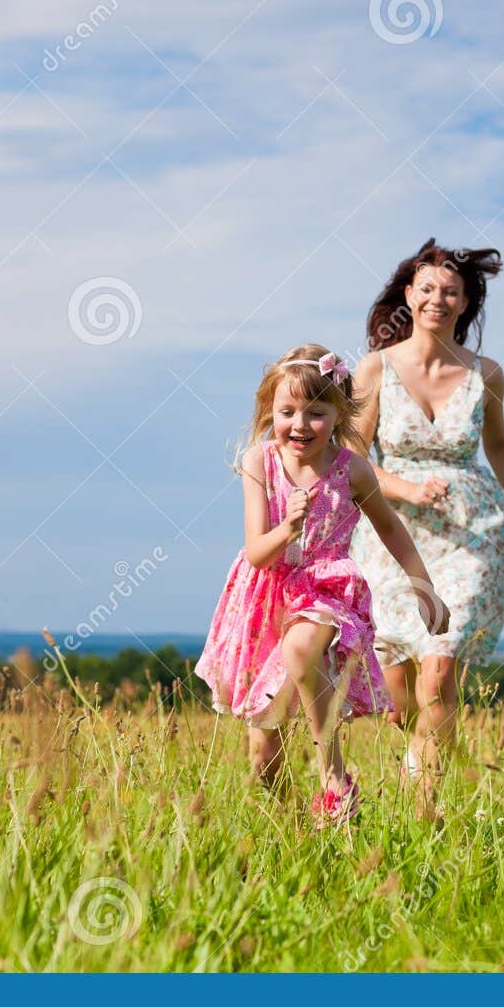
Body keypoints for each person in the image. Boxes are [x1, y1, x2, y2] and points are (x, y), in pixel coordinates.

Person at [196, 344, 449, 826]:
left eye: (316, 413)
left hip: (325, 588)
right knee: (263, 751)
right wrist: (286, 529)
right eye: (287, 412)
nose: (299, 424)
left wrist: (423, 585)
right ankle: (297, 826)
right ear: (269, 410)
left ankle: (333, 776)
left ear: (340, 414)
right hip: (265, 596)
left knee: (301, 649)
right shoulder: (259, 462)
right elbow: (256, 553)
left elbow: (391, 527)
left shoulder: (351, 469)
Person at [349, 239, 504, 778]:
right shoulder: (374, 369)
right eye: (429, 289)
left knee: (439, 675)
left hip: (471, 532)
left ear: (465, 304)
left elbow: (500, 446)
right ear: (410, 295)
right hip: (391, 533)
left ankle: (427, 809)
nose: (438, 299)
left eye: (452, 292)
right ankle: (444, 761)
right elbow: (352, 453)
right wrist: (405, 489)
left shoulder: (487, 373)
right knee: (401, 702)